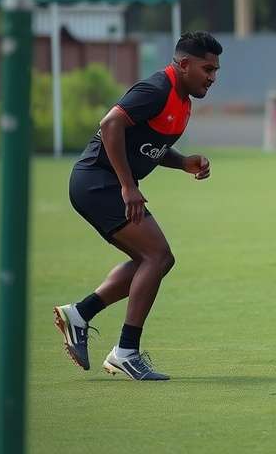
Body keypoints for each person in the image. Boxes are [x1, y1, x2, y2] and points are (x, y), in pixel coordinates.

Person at [53, 31, 222, 381]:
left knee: (157, 259)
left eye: (216, 70)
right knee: (156, 256)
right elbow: (110, 124)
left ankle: (81, 314)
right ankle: (125, 352)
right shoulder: (157, 89)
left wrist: (183, 162)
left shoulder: (181, 98)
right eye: (207, 68)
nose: (212, 77)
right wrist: (128, 186)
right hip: (97, 182)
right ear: (184, 63)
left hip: (105, 184)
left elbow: (147, 145)